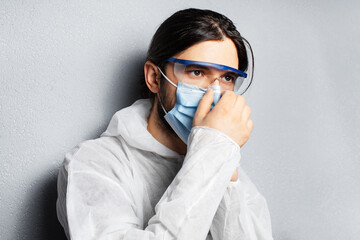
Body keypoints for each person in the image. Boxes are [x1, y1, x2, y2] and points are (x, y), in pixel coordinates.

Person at [56, 8, 273, 240]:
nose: (214, 91)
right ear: (155, 78)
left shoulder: (224, 164)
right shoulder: (94, 164)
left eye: (227, 78)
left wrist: (219, 155)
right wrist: (214, 150)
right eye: (197, 72)